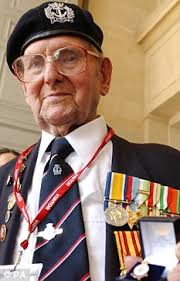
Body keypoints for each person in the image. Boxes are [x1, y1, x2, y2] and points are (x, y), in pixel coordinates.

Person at [0, 2, 180, 281]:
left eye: (69, 57)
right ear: (25, 87)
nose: (50, 76)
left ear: (104, 76)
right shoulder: (1, 184)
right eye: (35, 64)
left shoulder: (168, 168)